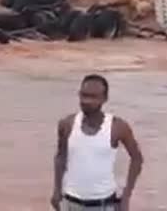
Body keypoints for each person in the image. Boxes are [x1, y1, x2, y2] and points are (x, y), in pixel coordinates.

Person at [51, 74, 143, 211]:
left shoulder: (117, 127)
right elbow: (61, 157)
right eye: (83, 95)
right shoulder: (67, 124)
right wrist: (57, 190)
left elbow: (137, 159)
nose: (86, 101)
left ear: (104, 99)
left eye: (93, 97)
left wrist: (126, 196)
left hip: (104, 204)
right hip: (70, 202)